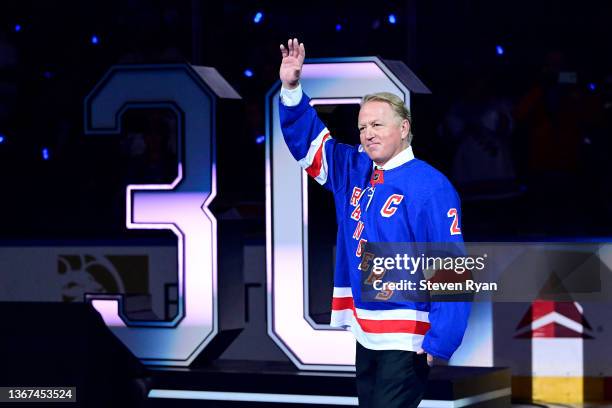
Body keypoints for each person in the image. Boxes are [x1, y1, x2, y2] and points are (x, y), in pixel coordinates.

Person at [278, 38, 471, 408]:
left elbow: (452, 266)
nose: (367, 133)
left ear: (404, 128)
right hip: (366, 332)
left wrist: (442, 338)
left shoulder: (431, 186)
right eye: (362, 126)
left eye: (378, 124)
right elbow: (308, 143)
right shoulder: (353, 168)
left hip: (408, 338)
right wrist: (291, 88)